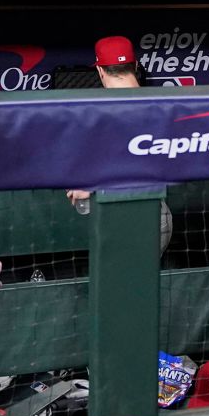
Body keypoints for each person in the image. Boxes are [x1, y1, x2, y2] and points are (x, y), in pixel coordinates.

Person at [64, 36, 173, 255]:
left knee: (126, 284)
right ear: (135, 65)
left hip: (134, 217)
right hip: (155, 215)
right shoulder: (161, 103)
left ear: (100, 71)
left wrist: (92, 186)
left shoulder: (104, 112)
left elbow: (133, 163)